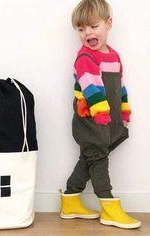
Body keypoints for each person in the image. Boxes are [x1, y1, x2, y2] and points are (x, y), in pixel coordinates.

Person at [60, 0, 141, 229]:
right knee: (98, 158)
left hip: (107, 119)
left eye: (93, 26)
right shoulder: (86, 58)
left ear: (108, 24)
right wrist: (102, 118)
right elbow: (91, 90)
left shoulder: (113, 56)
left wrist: (124, 112)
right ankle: (108, 204)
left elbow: (120, 88)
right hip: (91, 120)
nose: (87, 33)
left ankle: (70, 200)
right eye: (81, 29)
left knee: (89, 157)